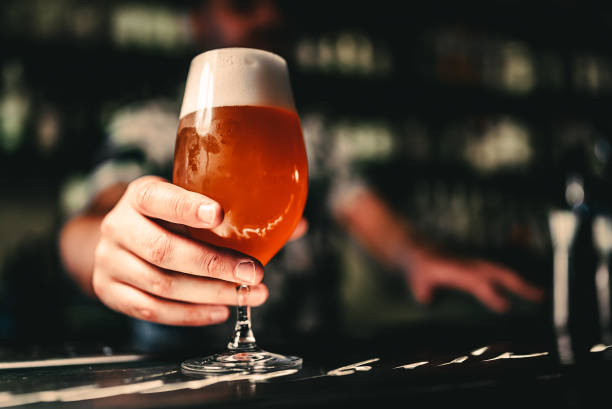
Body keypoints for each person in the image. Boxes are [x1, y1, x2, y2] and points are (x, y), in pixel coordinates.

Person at [59, 0, 542, 333]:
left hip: (308, 366)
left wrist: (421, 256)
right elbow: (95, 222)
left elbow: (375, 221)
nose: (269, 15)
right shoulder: (149, 126)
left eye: (278, 5)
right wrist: (105, 245)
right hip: (178, 372)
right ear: (197, 22)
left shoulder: (311, 134)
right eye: (244, 5)